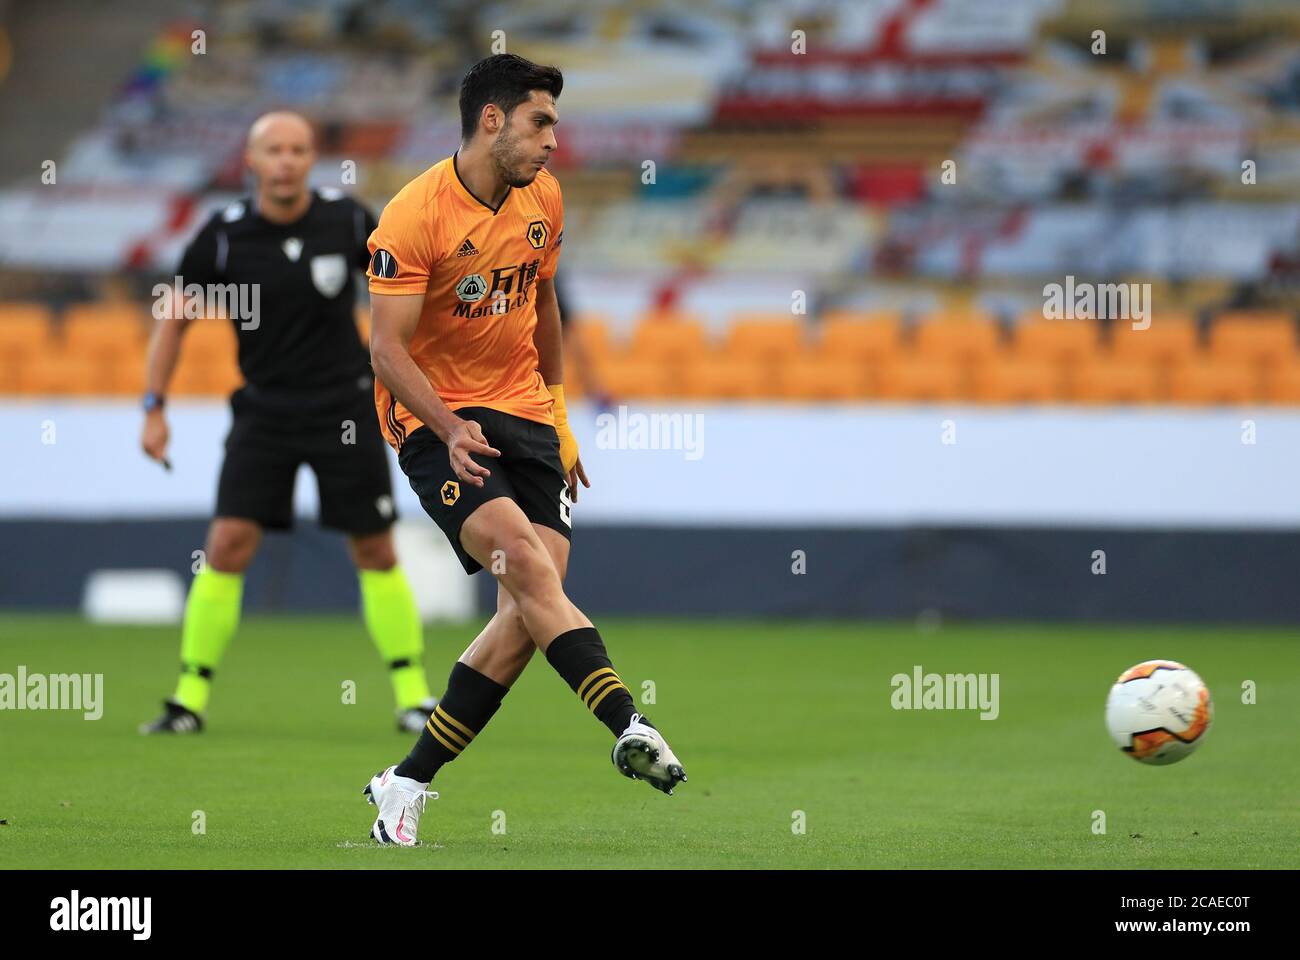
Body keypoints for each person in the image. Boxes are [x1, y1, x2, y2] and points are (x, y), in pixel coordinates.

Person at [360, 54, 686, 846]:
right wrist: (445, 426)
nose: (552, 140)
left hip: (525, 414)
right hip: (437, 419)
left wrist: (562, 418)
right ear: (493, 120)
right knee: (528, 566)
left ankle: (403, 783)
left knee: (523, 615)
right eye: (541, 122)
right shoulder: (412, 217)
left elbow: (542, 301)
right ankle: (628, 722)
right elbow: (386, 352)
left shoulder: (544, 196)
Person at [139, 111, 436, 735]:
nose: (286, 161)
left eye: (298, 150)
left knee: (376, 548)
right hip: (265, 411)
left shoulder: (348, 219)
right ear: (251, 160)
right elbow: (174, 318)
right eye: (274, 150)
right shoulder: (222, 236)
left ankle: (413, 697)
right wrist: (154, 406)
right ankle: (188, 699)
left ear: (310, 159)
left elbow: (408, 288)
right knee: (225, 545)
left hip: (345, 409)